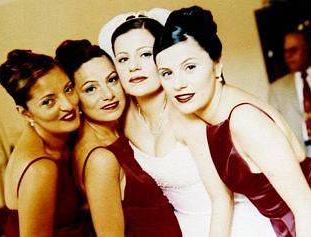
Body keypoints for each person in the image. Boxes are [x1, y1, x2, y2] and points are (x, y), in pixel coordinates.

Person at [99, 7, 276, 237]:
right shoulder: (122, 118)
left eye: (144, 54)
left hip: (230, 225)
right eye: (123, 59)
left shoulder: (189, 115)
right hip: (184, 228)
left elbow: (222, 200)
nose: (133, 66)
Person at [153, 5, 311, 237]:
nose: (178, 83)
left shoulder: (244, 119)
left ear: (217, 64)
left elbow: (305, 206)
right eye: (167, 73)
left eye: (190, 67)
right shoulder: (213, 115)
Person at [55, 39, 182, 237]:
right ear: (74, 98)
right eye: (90, 88)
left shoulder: (118, 131)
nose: (108, 94)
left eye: (112, 79)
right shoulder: (100, 159)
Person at [0, 50, 95, 237]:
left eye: (68, 89)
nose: (68, 105)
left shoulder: (66, 136)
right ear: (25, 113)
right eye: (48, 102)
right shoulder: (40, 169)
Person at [269, 26, 311, 156]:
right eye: (285, 51)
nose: (288, 56)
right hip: (301, 158)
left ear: (307, 49)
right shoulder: (276, 89)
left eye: (293, 50)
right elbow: (275, 130)